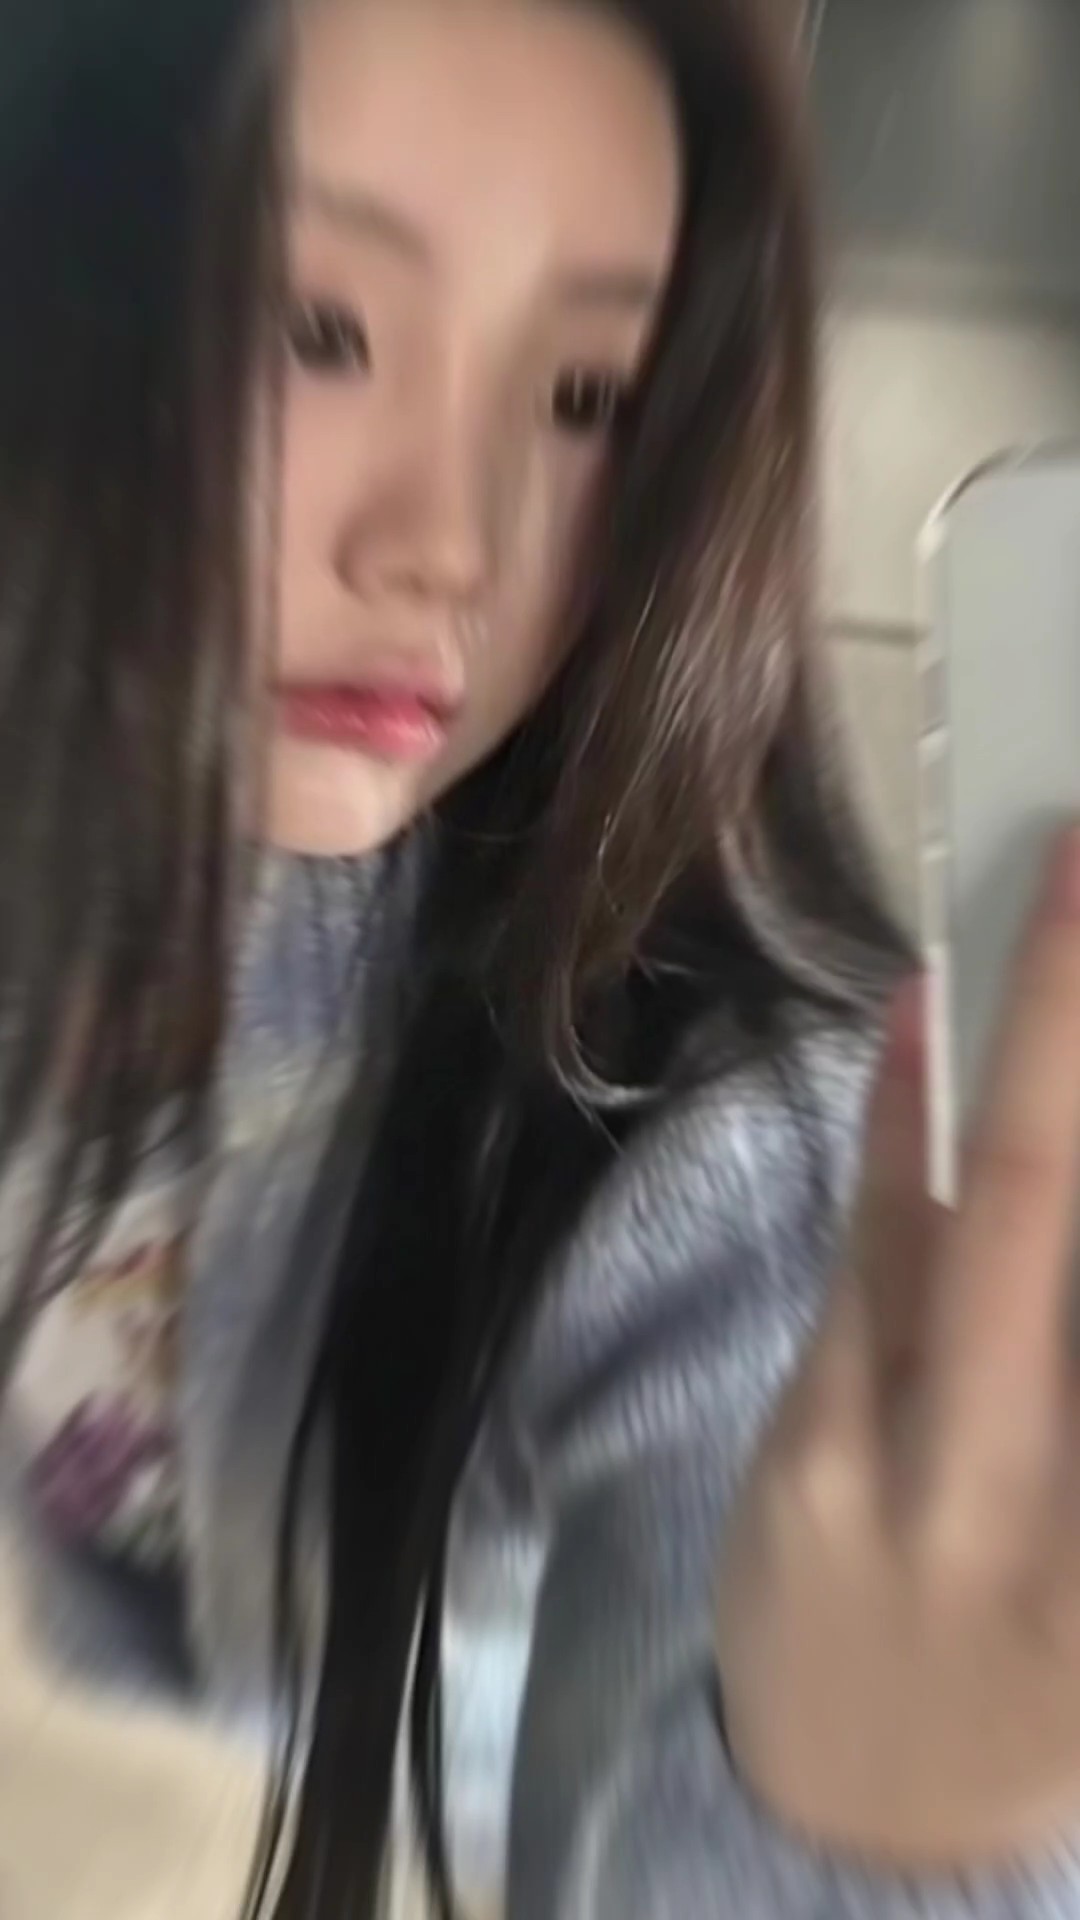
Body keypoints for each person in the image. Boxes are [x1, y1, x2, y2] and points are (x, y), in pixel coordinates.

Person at [3, 1, 1080, 1917]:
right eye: (318, 330)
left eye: (589, 396)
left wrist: (864, 1838)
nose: (456, 543)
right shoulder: (87, 788)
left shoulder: (735, 1165)